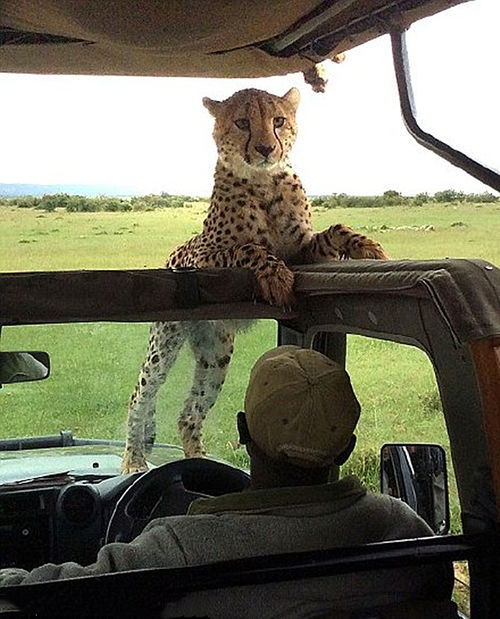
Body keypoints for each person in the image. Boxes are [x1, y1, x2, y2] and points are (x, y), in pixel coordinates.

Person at [0, 346, 455, 617]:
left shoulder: (180, 548)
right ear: (348, 448)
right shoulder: (405, 532)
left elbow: (48, 597)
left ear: (241, 431)